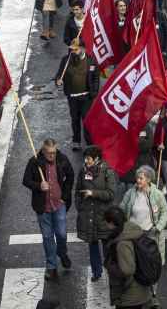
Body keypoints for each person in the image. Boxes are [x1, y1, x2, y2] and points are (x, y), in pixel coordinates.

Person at [22, 138, 74, 282]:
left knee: (62, 234)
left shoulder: (62, 159)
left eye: (54, 152)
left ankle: (62, 253)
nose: (52, 156)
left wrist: (65, 196)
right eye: (49, 153)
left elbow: (70, 176)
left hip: (59, 204)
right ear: (43, 151)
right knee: (47, 237)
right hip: (43, 207)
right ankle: (51, 266)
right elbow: (25, 180)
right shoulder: (34, 162)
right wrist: (39, 186)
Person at [119, 163, 167, 304]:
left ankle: (153, 295)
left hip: (151, 236)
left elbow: (165, 212)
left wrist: (158, 227)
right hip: (134, 236)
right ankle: (139, 293)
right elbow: (122, 208)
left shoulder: (157, 194)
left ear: (148, 179)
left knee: (152, 266)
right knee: (135, 265)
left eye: (141, 178)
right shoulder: (130, 193)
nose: (138, 181)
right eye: (137, 178)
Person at [76, 146, 118, 283]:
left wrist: (93, 193)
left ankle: (110, 270)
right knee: (92, 246)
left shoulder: (107, 172)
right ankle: (96, 271)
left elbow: (111, 194)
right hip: (88, 215)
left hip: (103, 216)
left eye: (88, 158)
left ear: (97, 159)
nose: (86, 161)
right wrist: (80, 207)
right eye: (85, 158)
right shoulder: (83, 171)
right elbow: (77, 191)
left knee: (107, 247)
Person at [103, 206, 153, 309]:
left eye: (107, 222)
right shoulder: (133, 230)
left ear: (112, 223)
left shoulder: (122, 243)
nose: (105, 225)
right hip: (144, 290)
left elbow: (127, 270)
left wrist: (110, 266)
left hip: (130, 297)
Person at [55, 38, 99, 151]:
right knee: (75, 119)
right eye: (71, 49)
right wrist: (58, 81)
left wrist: (94, 92)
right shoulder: (65, 60)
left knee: (86, 120)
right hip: (72, 97)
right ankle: (76, 141)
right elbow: (59, 75)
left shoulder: (91, 61)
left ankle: (89, 142)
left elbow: (95, 78)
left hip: (86, 97)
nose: (72, 51)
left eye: (75, 49)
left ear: (83, 49)